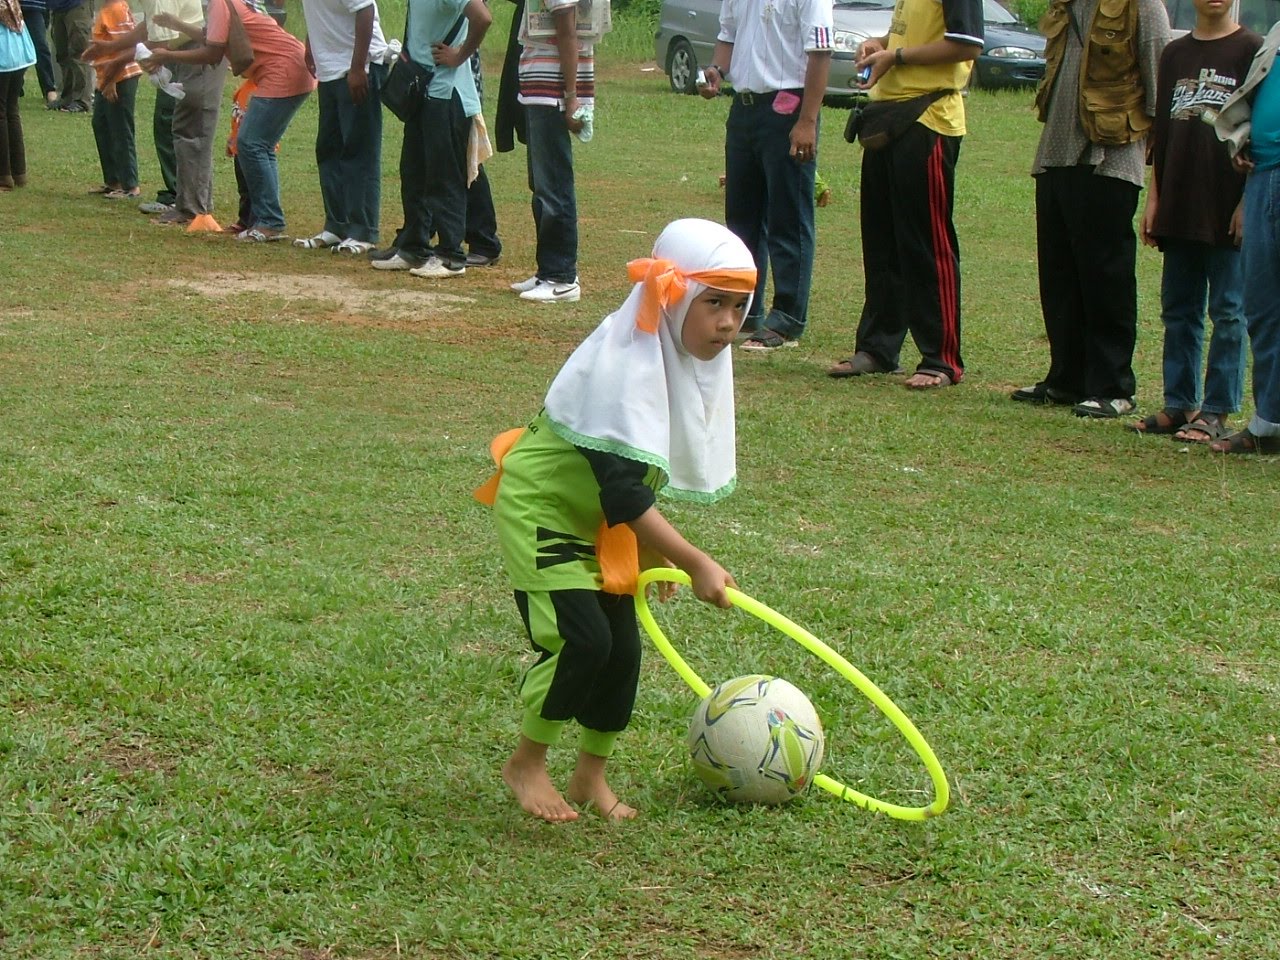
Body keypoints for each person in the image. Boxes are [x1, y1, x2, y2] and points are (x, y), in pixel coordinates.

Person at [476, 219, 756, 822]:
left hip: (600, 521)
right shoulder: (623, 365)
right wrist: (693, 561)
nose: (729, 323)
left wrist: (653, 562)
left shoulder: (681, 359)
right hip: (544, 508)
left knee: (623, 650)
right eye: (714, 303)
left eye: (740, 306)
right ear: (674, 296)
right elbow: (626, 493)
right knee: (584, 640)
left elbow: (638, 477)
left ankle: (588, 777)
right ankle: (526, 761)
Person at [1012, 0, 1169, 418]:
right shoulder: (1065, 6)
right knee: (1059, 272)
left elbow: (1159, 90)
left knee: (1106, 276)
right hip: (1055, 155)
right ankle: (1066, 378)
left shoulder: (1143, 8)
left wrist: (1152, 152)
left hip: (1110, 159)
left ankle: (1113, 386)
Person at [827, 0, 983, 387]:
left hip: (928, 118)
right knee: (882, 239)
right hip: (889, 116)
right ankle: (878, 348)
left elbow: (966, 44)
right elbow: (912, 35)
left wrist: (895, 56)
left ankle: (940, 359)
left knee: (925, 241)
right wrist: (880, 44)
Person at [1131, 0, 1260, 443]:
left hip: (1225, 203)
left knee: (1228, 311)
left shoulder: (1251, 49)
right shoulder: (1174, 52)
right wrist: (1155, 198)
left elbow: (1257, 134)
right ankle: (1179, 402)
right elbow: (1161, 133)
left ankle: (1217, 409)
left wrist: (1247, 202)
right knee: (1178, 310)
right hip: (1179, 200)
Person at [697, 0, 832, 350]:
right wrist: (717, 70)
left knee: (789, 215)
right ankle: (746, 308)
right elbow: (728, 36)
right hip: (744, 109)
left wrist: (807, 121)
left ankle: (787, 318)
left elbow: (820, 53)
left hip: (787, 105)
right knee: (742, 220)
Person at [151, 0, 316, 240]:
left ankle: (269, 221)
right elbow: (214, 37)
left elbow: (213, 53)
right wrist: (176, 24)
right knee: (258, 144)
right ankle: (263, 219)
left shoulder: (220, 2)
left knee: (251, 143)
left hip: (283, 69)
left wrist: (167, 55)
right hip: (293, 65)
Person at [368, 0, 490, 277]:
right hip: (423, 91)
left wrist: (460, 56)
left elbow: (482, 17)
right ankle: (414, 247)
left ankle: (450, 255)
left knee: (443, 176)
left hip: (446, 93)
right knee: (414, 172)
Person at [1211, 15, 1280, 454]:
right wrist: (1244, 137)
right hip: (1263, 176)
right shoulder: (1276, 32)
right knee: (1263, 305)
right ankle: (1268, 423)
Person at [506, 0, 594, 302]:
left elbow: (568, 32)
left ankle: (562, 276)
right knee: (542, 186)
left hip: (552, 91)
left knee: (554, 185)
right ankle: (547, 270)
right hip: (537, 86)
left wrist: (572, 98)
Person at [295, 0, 388, 255]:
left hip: (357, 67)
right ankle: (337, 225)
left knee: (359, 150)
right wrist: (311, 42)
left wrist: (358, 67)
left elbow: (365, 11)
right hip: (330, 68)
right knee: (328, 149)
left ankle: (363, 231)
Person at [88, 0, 143, 200]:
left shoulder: (116, 9)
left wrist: (111, 80)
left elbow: (125, 47)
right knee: (101, 123)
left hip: (121, 76)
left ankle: (130, 185)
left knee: (120, 127)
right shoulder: (107, 8)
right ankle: (113, 181)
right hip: (107, 76)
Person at [0, 0, 35, 189]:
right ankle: (18, 172)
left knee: (2, 113)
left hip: (4, 53)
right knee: (11, 111)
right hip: (19, 48)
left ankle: (3, 175)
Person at [48, 0, 91, 112]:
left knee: (79, 52)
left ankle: (82, 101)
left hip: (76, 6)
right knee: (62, 54)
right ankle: (67, 98)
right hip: (57, 8)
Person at [17, 0, 56, 108]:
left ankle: (49, 88)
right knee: (14, 47)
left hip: (35, 6)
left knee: (40, 46)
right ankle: (15, 86)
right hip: (11, 7)